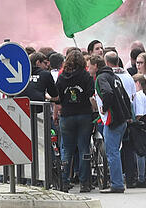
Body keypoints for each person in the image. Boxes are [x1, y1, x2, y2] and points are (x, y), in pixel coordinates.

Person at [56, 50, 95, 192]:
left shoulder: (61, 78)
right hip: (84, 114)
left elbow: (57, 96)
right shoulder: (86, 76)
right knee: (84, 148)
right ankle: (84, 183)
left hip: (66, 115)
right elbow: (91, 93)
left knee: (67, 149)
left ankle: (64, 182)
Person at [94, 50, 133, 193]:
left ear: (96, 66)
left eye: (90, 66)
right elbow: (126, 97)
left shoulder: (101, 78)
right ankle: (117, 182)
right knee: (115, 151)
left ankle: (116, 184)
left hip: (113, 119)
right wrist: (128, 114)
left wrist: (104, 107)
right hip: (121, 118)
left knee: (112, 152)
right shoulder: (115, 76)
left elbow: (108, 93)